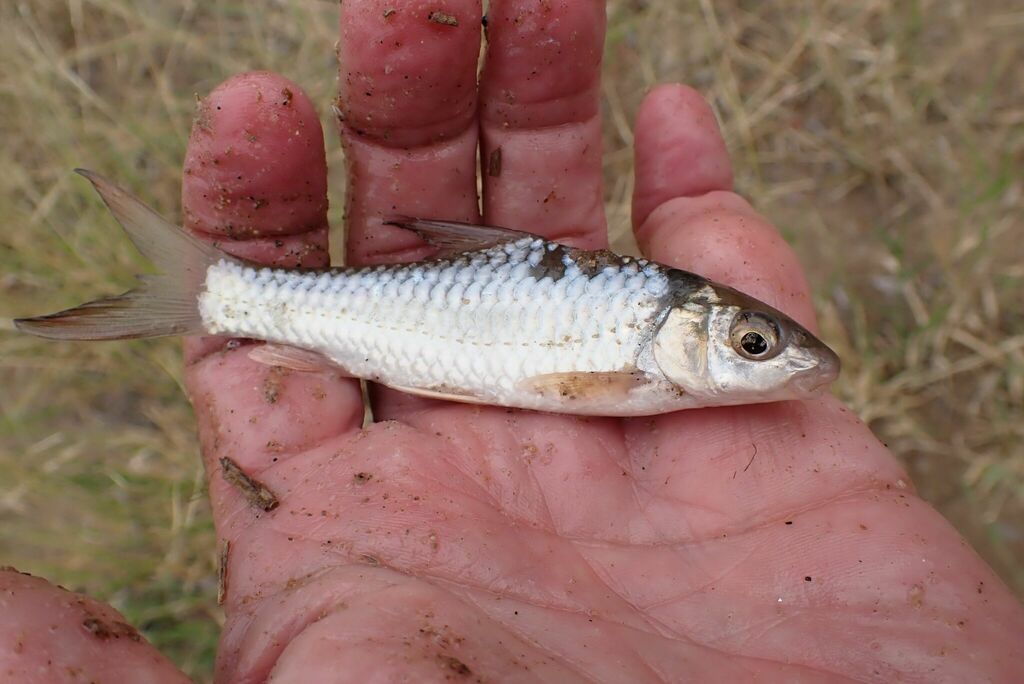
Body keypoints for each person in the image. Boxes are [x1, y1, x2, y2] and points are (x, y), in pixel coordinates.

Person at [3, 1, 1022, 681]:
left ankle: (219, 293)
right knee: (241, 287)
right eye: (754, 348)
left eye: (752, 346)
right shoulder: (624, 356)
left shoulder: (644, 359)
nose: (779, 365)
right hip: (317, 303)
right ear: (684, 333)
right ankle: (218, 293)